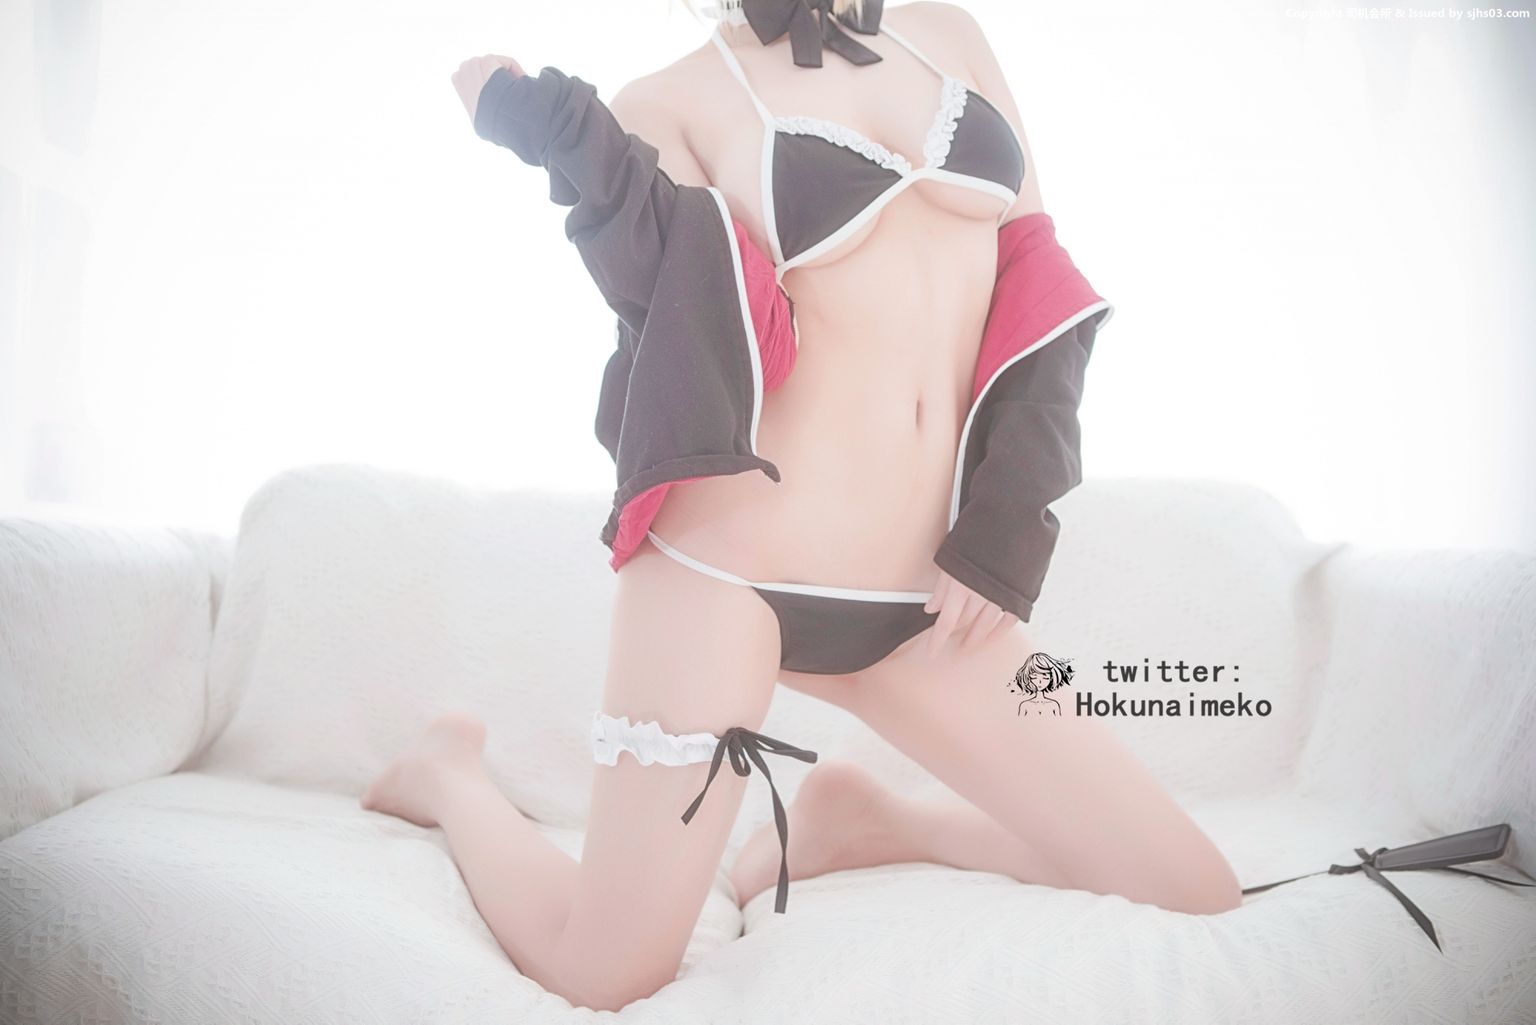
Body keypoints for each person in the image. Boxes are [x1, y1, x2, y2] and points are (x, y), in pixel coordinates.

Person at [361, 0, 1242, 1011]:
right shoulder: (673, 98)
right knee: (601, 972)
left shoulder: (948, 33)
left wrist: (1002, 529)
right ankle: (449, 776)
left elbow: (1037, 278)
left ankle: (869, 824)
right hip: (731, 576)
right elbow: (702, 308)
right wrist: (566, 137)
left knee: (1194, 886)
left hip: (927, 595)